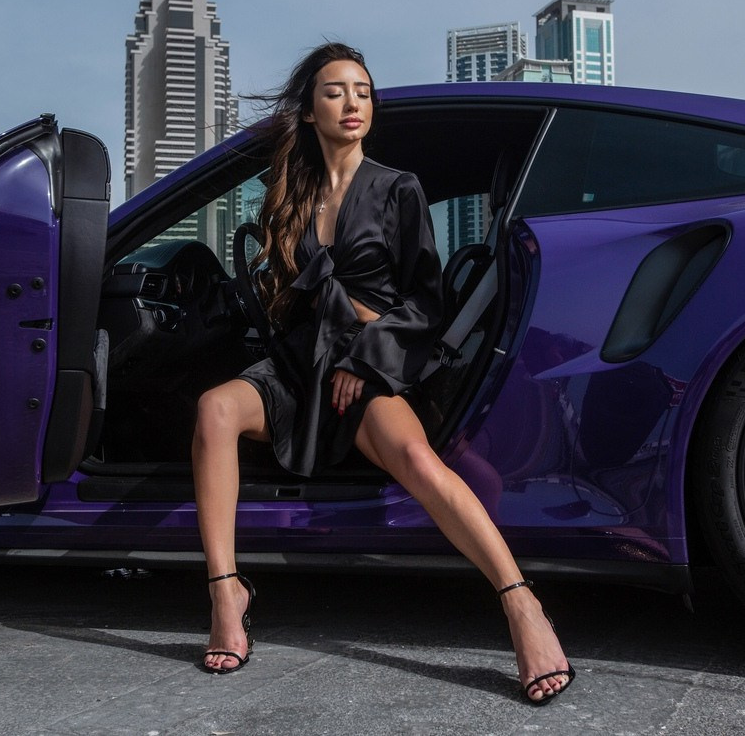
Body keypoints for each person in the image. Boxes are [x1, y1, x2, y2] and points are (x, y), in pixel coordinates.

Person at [192, 42, 574, 704]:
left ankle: (521, 605)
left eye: (363, 92)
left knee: (418, 462)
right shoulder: (292, 192)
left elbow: (426, 301)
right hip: (300, 363)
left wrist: (366, 354)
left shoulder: (399, 187)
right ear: (309, 110)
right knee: (213, 410)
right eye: (336, 91)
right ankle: (227, 591)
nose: (353, 104)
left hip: (377, 357)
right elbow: (289, 298)